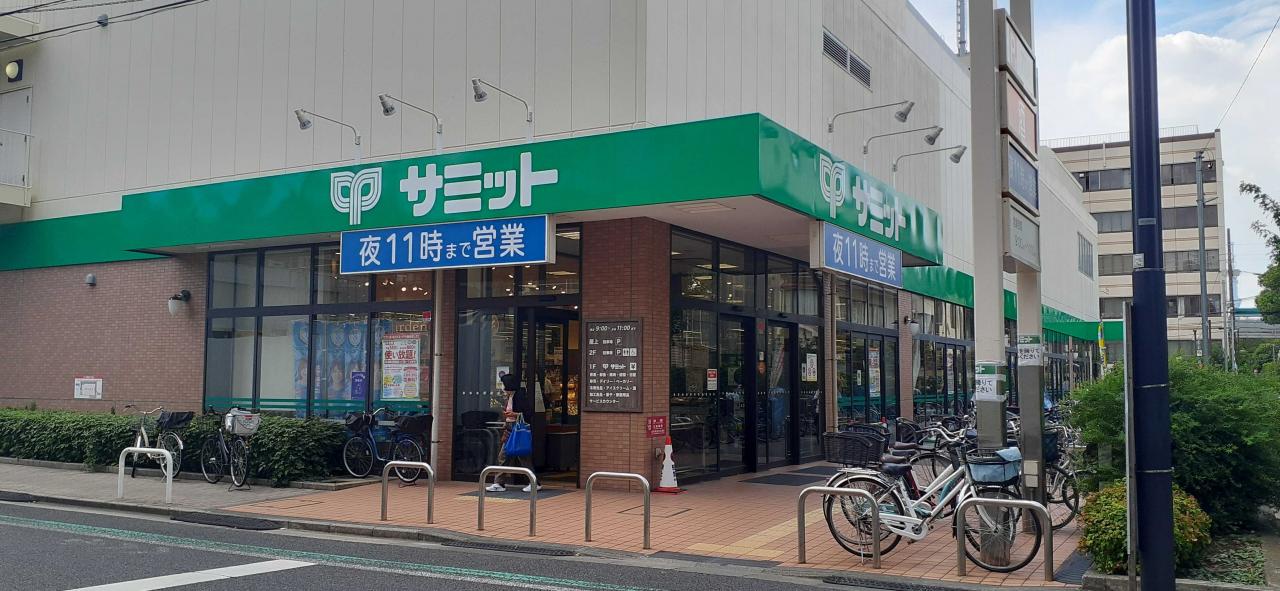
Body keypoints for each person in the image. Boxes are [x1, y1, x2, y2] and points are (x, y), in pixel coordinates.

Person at [486, 372, 541, 492]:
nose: (503, 387)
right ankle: (499, 483)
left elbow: (528, 413)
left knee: (523, 457)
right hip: (510, 429)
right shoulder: (509, 397)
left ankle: (534, 483)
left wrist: (514, 414)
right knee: (503, 456)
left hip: (518, 429)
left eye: (504, 384)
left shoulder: (520, 396)